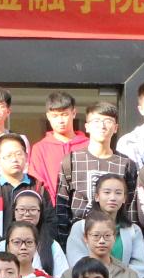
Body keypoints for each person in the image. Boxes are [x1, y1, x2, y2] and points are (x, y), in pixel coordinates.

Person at [55, 102, 132, 243]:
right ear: (87, 127)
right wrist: (64, 242)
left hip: (115, 238)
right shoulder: (72, 160)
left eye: (108, 121)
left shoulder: (126, 164)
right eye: (96, 121)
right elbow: (62, 207)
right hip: (79, 237)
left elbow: (131, 206)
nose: (102, 126)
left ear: (116, 128)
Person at [28, 91, 85, 194]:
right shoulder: (40, 148)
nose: (60, 120)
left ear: (74, 113)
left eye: (64, 114)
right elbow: (37, 182)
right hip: (51, 202)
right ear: (48, 116)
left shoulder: (88, 145)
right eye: (55, 116)